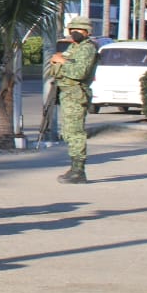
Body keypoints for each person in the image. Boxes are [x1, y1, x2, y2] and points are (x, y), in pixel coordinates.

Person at [49, 16, 98, 184]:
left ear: (87, 32)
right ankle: (75, 167)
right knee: (68, 133)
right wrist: (59, 61)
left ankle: (78, 170)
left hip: (76, 95)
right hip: (67, 94)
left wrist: (61, 61)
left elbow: (79, 72)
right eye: (72, 30)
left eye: (78, 30)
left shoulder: (87, 49)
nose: (74, 33)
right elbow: (56, 68)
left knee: (75, 133)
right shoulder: (74, 47)